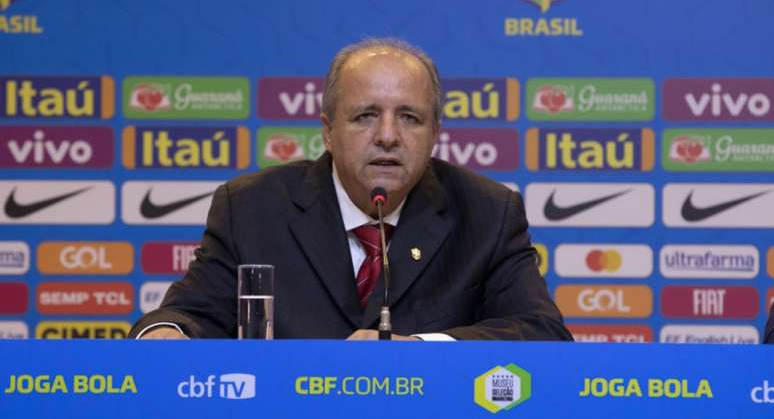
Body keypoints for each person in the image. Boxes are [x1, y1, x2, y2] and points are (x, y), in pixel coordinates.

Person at [130, 37, 572, 341]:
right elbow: (188, 314)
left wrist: (419, 348)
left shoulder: (487, 213)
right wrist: (168, 333)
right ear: (327, 131)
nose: (387, 136)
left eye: (409, 117)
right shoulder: (252, 208)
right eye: (365, 116)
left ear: (435, 132)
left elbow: (541, 332)